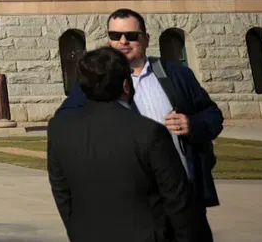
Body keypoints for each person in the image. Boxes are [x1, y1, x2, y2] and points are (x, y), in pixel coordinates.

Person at [58, 8, 222, 239]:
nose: (123, 42)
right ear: (108, 39)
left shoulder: (176, 74)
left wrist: (192, 124)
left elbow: (213, 115)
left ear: (145, 38)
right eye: (115, 36)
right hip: (132, 206)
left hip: (183, 196)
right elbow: (65, 125)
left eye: (131, 36)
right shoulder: (94, 83)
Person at [48, 46, 197, 242]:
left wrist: (76, 230)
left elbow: (62, 192)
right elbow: (177, 200)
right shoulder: (149, 132)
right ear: (126, 85)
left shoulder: (59, 128)